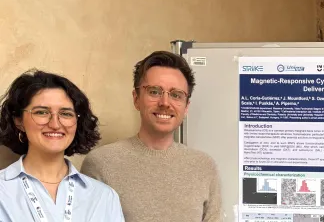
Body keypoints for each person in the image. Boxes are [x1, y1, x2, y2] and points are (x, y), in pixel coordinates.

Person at [81, 51, 223, 222]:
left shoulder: (204, 167)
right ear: (136, 99)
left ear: (186, 107)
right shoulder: (100, 164)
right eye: (154, 92)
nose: (165, 103)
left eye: (176, 95)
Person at [0, 70, 124, 221]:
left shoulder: (103, 197)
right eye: (41, 112)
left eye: (66, 114)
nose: (55, 124)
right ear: (19, 121)